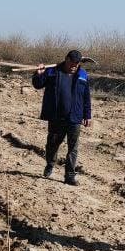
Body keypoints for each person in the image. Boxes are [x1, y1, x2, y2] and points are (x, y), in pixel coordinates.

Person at [32, 50, 92, 185]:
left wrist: (87, 115)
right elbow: (37, 84)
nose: (74, 66)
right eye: (72, 63)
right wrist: (39, 74)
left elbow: (86, 96)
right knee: (52, 144)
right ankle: (50, 163)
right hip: (56, 116)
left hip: (75, 116)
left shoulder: (83, 75)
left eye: (77, 64)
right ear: (66, 59)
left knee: (73, 147)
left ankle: (69, 176)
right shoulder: (52, 71)